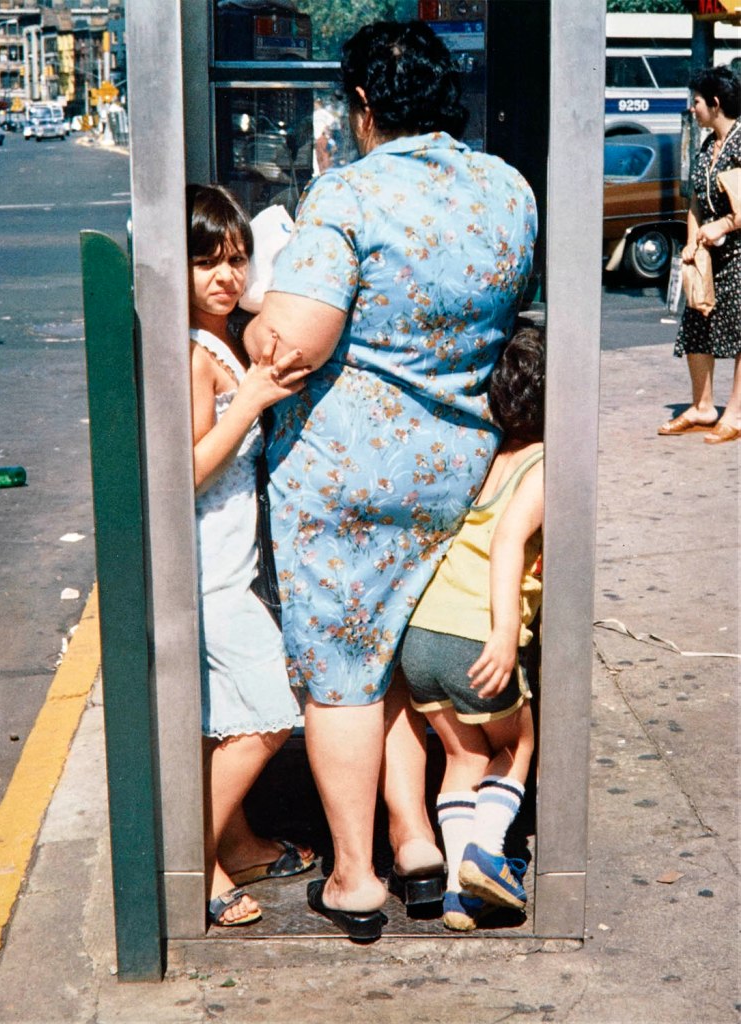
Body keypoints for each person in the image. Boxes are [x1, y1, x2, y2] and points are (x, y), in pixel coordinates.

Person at [243, 21, 537, 941]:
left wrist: (259, 302)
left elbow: (294, 343)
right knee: (401, 652)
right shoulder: (507, 188)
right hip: (459, 464)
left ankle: (358, 877)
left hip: (346, 476)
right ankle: (415, 840)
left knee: (341, 673)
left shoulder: (349, 193)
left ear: (362, 107)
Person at [186, 184, 315, 928]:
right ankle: (194, 857)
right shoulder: (199, 355)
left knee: (233, 713)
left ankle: (236, 844)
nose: (225, 277)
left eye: (235, 259)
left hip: (232, 569)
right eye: (207, 263)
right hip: (205, 575)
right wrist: (250, 401)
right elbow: (187, 467)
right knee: (268, 712)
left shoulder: (226, 338)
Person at [400, 324, 543, 931]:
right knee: (517, 744)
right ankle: (488, 852)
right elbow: (510, 542)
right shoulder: (545, 464)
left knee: (462, 756)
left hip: (423, 637)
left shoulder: (487, 456)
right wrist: (505, 633)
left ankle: (461, 893)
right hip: (472, 638)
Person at [658, 65, 741, 444]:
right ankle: (703, 406)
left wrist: (722, 226)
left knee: (739, 334)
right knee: (696, 324)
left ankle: (735, 414)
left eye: (697, 102)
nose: (693, 109)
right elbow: (694, 201)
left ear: (716, 103)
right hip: (708, 256)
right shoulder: (708, 146)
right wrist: (692, 241)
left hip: (738, 255)